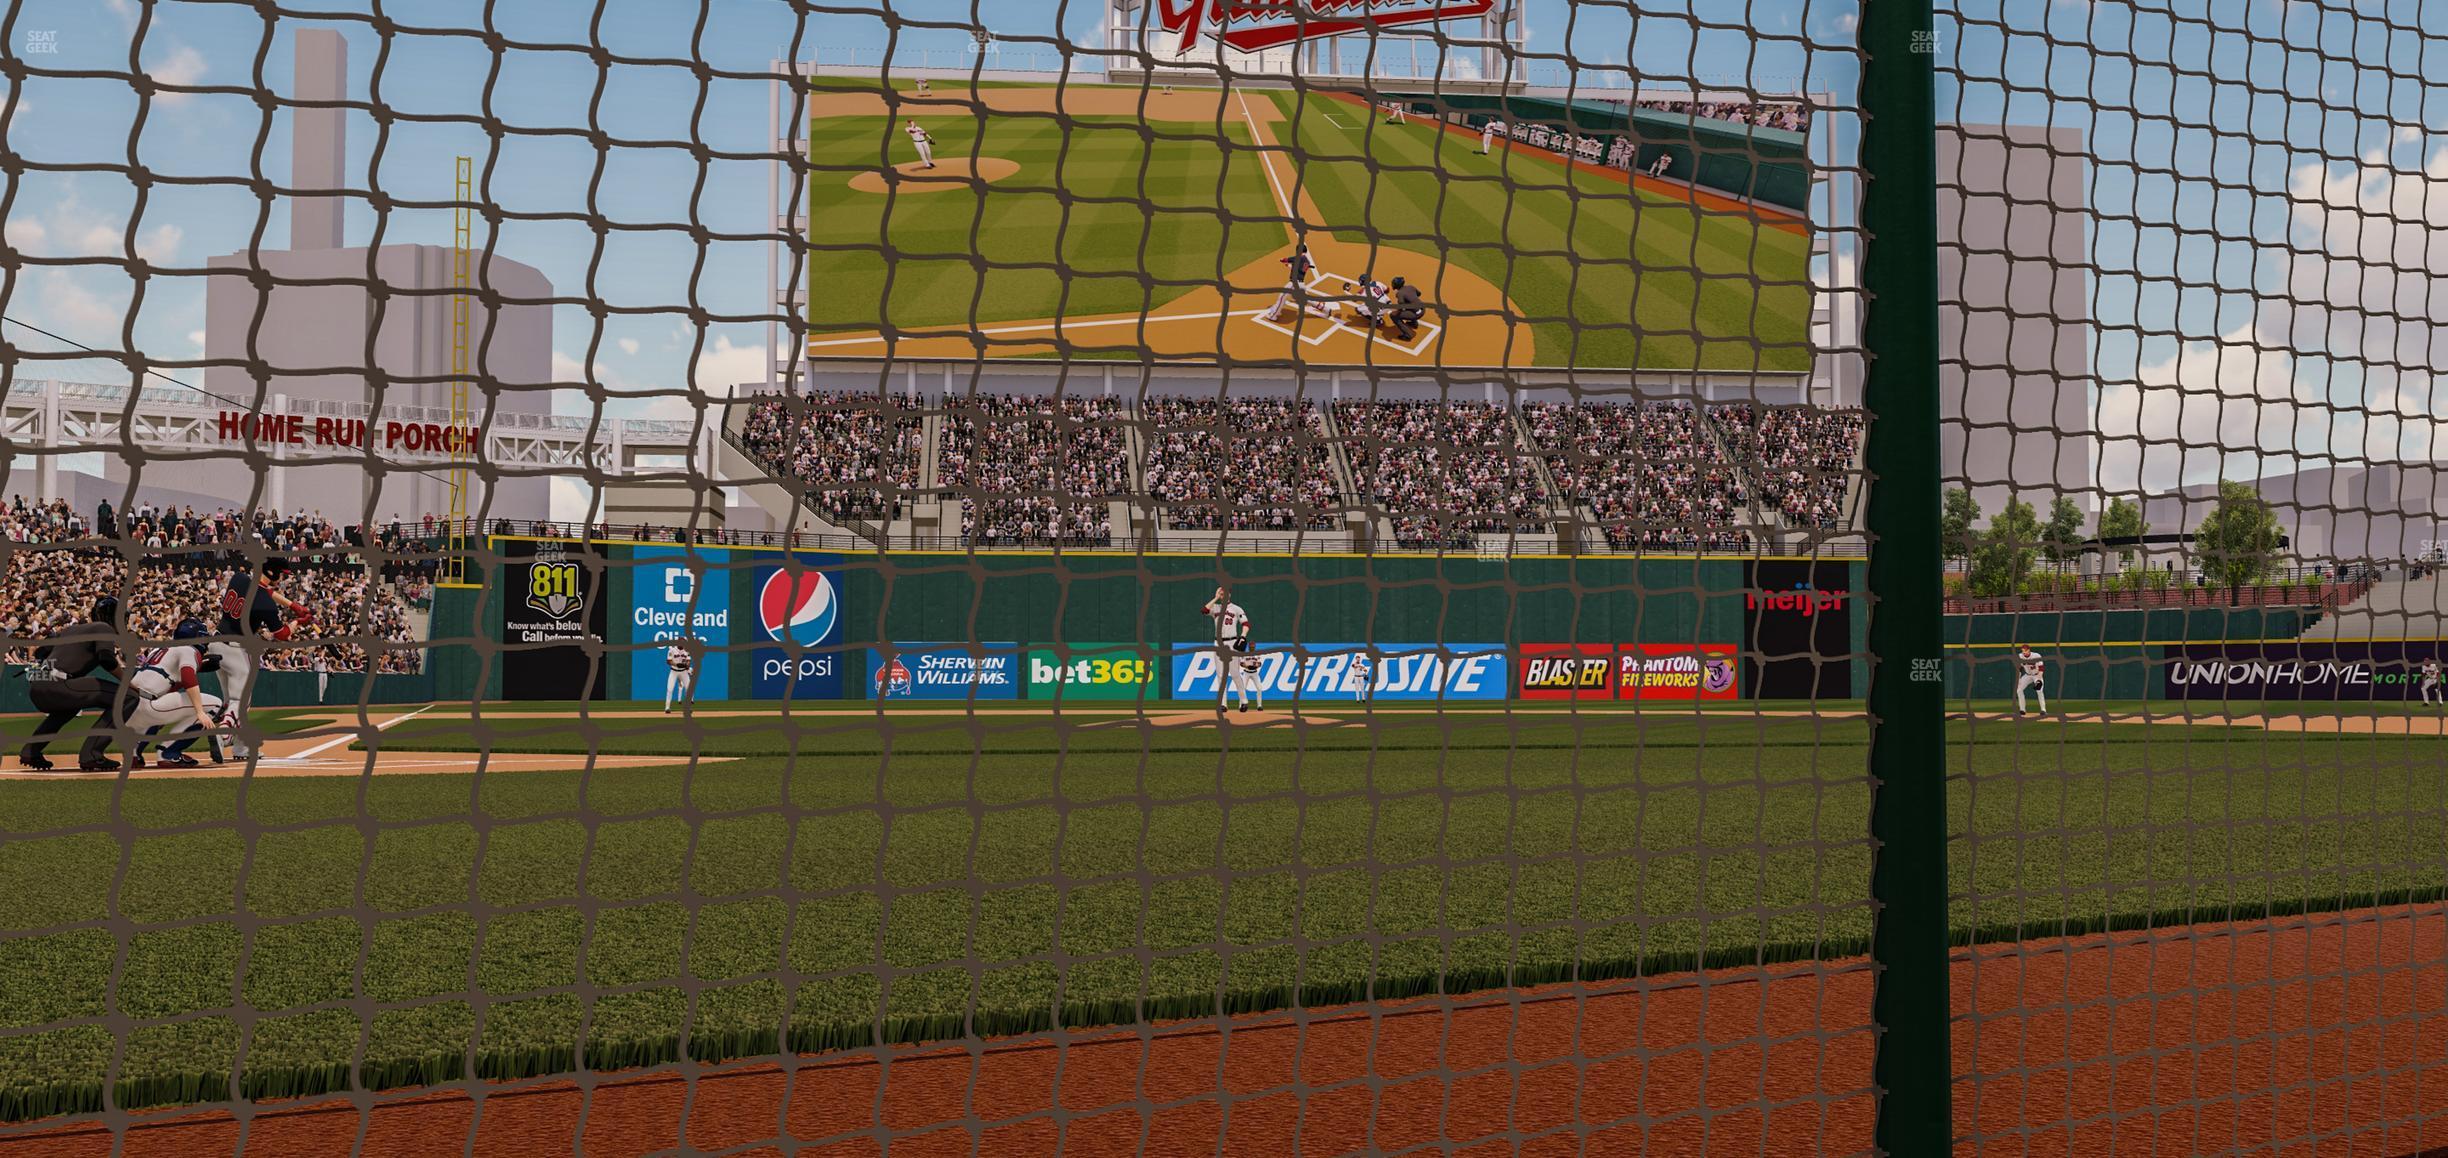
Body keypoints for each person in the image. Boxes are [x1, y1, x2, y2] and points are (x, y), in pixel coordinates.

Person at [213, 555, 312, 761]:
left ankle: (241, 748)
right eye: (281, 575)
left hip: (215, 642)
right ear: (271, 572)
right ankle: (222, 734)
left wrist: (292, 604)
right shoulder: (266, 603)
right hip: (236, 648)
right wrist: (297, 622)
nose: (282, 579)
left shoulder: (239, 578)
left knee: (230, 700)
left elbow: (262, 590)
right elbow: (282, 635)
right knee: (240, 701)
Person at [15, 596, 130, 772]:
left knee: (67, 708)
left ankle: (31, 750)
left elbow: (41, 651)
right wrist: (129, 681)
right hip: (60, 684)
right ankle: (92, 754)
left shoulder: (70, 630)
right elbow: (106, 660)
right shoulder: (103, 627)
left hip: (39, 685)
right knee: (129, 697)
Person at [126, 619, 227, 770]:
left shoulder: (158, 650)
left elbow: (167, 684)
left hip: (129, 708)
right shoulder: (189, 650)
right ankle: (168, 752)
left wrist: (198, 668)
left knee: (160, 702)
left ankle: (134, 753)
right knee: (215, 704)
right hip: (149, 706)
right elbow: (187, 677)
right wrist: (200, 712)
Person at [1202, 586, 1252, 712]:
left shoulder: (1236, 608)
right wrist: (1216, 597)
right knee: (1220, 674)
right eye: (1221, 593)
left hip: (1232, 642)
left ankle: (1244, 701)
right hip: (1218, 643)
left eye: (1225, 593)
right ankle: (1223, 704)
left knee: (1235, 673)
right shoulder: (1216, 608)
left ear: (1229, 594)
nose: (1223, 595)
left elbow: (1246, 624)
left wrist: (1242, 637)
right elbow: (1204, 610)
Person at [2013, 645, 2047, 717]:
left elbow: (2041, 668)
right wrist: (2018, 679)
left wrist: (2039, 679)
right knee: (2019, 690)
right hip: (2028, 675)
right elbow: (2019, 668)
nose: (2024, 652)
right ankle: (2022, 710)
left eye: (2025, 651)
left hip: (2037, 675)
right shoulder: (2020, 656)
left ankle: (2043, 710)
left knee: (2039, 690)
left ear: (2029, 650)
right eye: (2023, 651)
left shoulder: (2036, 656)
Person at [664, 638, 696, 714]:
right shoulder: (672, 650)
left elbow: (688, 661)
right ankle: (667, 707)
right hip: (674, 671)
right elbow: (668, 661)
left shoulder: (687, 650)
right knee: (670, 688)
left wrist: (686, 665)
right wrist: (676, 664)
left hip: (683, 672)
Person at [1389, 276, 1425, 341]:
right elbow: (1419, 294)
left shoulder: (1399, 293)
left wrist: (1396, 313)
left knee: (1393, 316)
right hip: (1423, 309)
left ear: (1397, 285)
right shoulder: (1411, 287)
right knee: (1409, 305)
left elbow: (1401, 306)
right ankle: (1414, 324)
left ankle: (1408, 335)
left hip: (1417, 314)